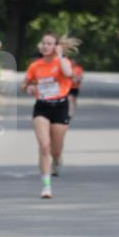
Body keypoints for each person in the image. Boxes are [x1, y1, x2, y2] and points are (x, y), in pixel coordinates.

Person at [23, 34, 80, 198]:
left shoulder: (63, 62)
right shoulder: (35, 66)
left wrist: (61, 55)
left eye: (49, 44)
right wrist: (29, 89)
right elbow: (25, 83)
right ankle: (46, 187)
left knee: (55, 149)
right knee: (44, 146)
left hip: (60, 107)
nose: (45, 46)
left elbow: (69, 74)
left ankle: (56, 160)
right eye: (43, 43)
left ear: (56, 46)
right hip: (41, 107)